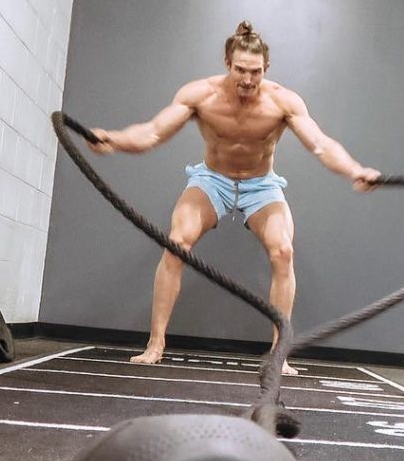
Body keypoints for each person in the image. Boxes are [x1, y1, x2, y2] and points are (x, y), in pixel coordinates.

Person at [86, 21, 382, 375]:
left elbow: (321, 144)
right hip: (212, 179)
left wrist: (354, 170)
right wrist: (114, 139)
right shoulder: (201, 95)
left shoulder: (283, 101)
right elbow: (152, 133)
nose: (247, 79)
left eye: (255, 72)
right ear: (228, 63)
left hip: (261, 185)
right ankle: (155, 344)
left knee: (283, 251)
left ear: (266, 69)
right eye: (240, 70)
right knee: (177, 242)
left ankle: (278, 354)